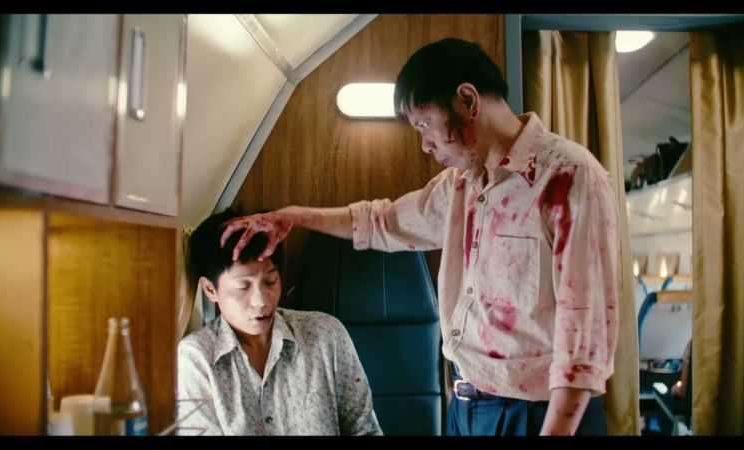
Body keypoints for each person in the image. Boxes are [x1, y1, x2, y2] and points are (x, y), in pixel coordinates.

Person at [220, 38, 619, 436]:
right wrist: (293, 217)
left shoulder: (568, 178)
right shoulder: (461, 184)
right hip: (467, 406)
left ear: (467, 100)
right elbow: (382, 223)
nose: (426, 145)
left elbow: (584, 334)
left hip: (538, 415)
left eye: (424, 125)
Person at [176, 208, 382, 436]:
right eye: (243, 287)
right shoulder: (196, 358)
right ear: (210, 289)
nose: (261, 300)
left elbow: (364, 429)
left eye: (270, 281)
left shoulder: (326, 334)